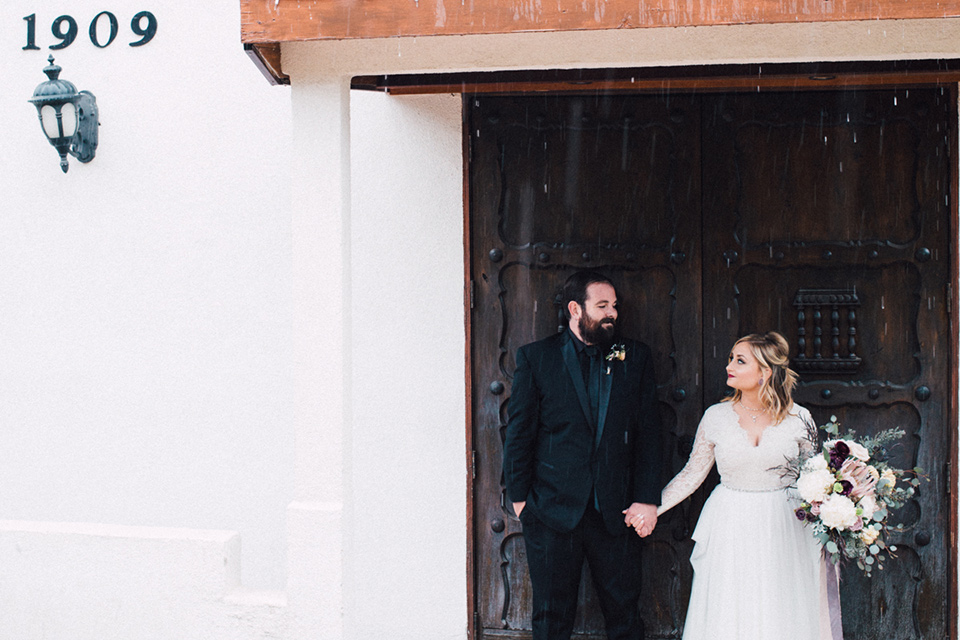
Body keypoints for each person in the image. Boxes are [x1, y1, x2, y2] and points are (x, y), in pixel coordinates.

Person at [629, 332, 831, 640]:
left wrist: (845, 498)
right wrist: (651, 508)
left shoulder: (799, 418)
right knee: (732, 600)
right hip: (731, 521)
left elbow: (815, 475)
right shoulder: (716, 417)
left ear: (765, 372)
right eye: (730, 358)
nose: (729, 366)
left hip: (785, 523)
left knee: (782, 600)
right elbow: (692, 474)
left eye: (740, 360)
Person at [503, 270, 664, 640]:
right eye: (603, 306)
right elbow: (520, 433)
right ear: (576, 309)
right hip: (551, 511)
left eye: (615, 306)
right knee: (550, 617)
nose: (613, 314)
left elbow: (650, 435)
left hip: (617, 512)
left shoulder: (635, 357)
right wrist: (520, 500)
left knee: (625, 616)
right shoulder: (537, 358)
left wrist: (646, 498)